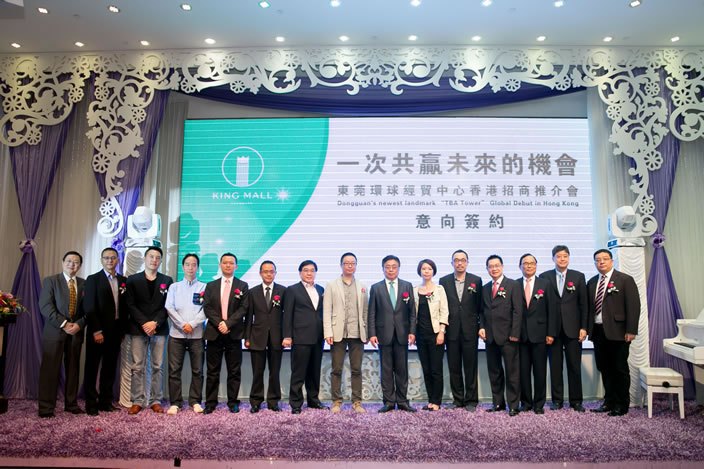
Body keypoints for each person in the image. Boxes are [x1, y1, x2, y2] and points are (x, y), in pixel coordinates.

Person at [588, 249, 640, 417]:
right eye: (598, 260)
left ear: (611, 261)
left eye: (605, 259)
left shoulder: (624, 279)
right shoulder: (592, 282)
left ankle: (621, 404)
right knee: (605, 368)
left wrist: (631, 329)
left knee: (619, 369)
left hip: (619, 332)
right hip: (598, 332)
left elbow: (633, 306)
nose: (601, 262)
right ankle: (608, 401)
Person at [539, 245, 588, 412]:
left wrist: (584, 327)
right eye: (558, 256)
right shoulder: (545, 277)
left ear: (569, 258)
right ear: (553, 258)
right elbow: (543, 307)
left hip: (573, 329)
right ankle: (557, 400)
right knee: (555, 367)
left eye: (565, 256)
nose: (562, 259)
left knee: (574, 366)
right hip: (553, 331)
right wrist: (546, 330)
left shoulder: (578, 276)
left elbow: (583, 304)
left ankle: (576, 401)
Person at [37, 251, 86, 418]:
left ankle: (71, 404)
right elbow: (45, 306)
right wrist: (64, 324)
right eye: (69, 261)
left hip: (76, 333)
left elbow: (89, 309)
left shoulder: (84, 283)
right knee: (50, 370)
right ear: (63, 262)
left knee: (73, 370)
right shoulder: (51, 281)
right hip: (54, 332)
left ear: (80, 266)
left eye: (76, 262)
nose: (72, 264)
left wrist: (79, 324)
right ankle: (46, 407)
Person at [125, 246, 173, 415]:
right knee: (137, 366)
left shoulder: (167, 280)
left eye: (158, 257)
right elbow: (130, 304)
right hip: (138, 329)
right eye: (151, 256)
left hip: (159, 329)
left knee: (157, 366)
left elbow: (168, 305)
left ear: (161, 261)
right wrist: (145, 323)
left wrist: (155, 323)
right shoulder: (132, 280)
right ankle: (137, 401)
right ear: (145, 259)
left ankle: (155, 400)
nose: (154, 260)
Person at [368, 255, 416, 413]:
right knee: (386, 370)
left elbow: (412, 312)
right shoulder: (376, 288)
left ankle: (402, 401)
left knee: (402, 370)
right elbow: (372, 312)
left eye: (394, 267)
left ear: (398, 268)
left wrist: (412, 332)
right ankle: (389, 401)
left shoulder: (407, 286)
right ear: (383, 269)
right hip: (383, 334)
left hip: (402, 334)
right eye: (387, 267)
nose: (391, 269)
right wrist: (372, 333)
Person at [202, 253, 249, 414]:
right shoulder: (211, 285)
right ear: (220, 265)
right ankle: (210, 403)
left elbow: (243, 308)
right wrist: (220, 324)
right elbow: (207, 307)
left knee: (234, 371)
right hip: (214, 332)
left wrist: (228, 323)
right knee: (212, 371)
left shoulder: (242, 285)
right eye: (225, 262)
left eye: (231, 263)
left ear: (236, 266)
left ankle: (233, 402)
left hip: (234, 333)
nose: (228, 265)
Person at [323, 252, 369, 414]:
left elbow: (365, 312)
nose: (350, 266)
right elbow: (326, 310)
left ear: (356, 265)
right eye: (346, 263)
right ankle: (336, 401)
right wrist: (327, 332)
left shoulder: (362, 286)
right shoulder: (332, 285)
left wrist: (366, 332)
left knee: (356, 369)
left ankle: (357, 402)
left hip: (357, 333)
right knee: (336, 369)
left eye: (352, 263)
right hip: (337, 333)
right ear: (341, 265)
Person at [83, 247, 126, 416]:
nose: (110, 260)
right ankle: (90, 404)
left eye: (113, 258)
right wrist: (96, 331)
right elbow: (89, 307)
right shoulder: (93, 279)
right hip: (98, 331)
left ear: (118, 260)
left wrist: (121, 332)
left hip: (115, 332)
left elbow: (124, 308)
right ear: (102, 260)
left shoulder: (123, 280)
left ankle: (105, 402)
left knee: (109, 368)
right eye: (106, 258)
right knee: (92, 368)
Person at [439, 249, 483, 411]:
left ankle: (471, 400)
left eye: (463, 260)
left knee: (470, 367)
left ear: (467, 262)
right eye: (456, 260)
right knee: (454, 367)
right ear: (452, 263)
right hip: (451, 330)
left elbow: (480, 307)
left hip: (470, 330)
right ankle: (458, 400)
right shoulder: (444, 281)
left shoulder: (476, 280)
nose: (459, 263)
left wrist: (480, 327)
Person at [479, 254, 522, 416]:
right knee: (494, 372)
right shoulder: (485, 288)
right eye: (491, 266)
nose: (494, 269)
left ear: (502, 267)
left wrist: (515, 333)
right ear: (487, 269)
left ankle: (513, 405)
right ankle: (498, 403)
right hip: (490, 338)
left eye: (497, 265)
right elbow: (482, 312)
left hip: (508, 337)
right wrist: (481, 327)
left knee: (512, 372)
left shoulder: (513, 285)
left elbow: (518, 311)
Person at [283, 260, 328, 414]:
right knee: (298, 373)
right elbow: (287, 315)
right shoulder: (292, 290)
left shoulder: (321, 289)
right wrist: (287, 336)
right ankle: (296, 404)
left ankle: (313, 401)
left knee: (314, 372)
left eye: (312, 270)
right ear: (300, 272)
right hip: (300, 337)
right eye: (306, 270)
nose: (309, 273)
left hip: (318, 337)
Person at [165, 253, 206, 415]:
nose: (190, 267)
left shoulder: (204, 288)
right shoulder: (174, 287)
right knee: (174, 371)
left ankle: (195, 401)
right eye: (187, 264)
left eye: (194, 264)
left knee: (198, 370)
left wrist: (192, 325)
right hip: (177, 335)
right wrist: (183, 325)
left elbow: (206, 310)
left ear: (197, 267)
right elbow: (169, 307)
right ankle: (175, 403)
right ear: (183, 267)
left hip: (197, 335)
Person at [517, 254, 556, 414]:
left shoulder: (545, 284)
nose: (528, 266)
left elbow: (552, 310)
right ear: (520, 266)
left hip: (540, 335)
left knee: (540, 371)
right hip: (521, 336)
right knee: (523, 372)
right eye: (525, 263)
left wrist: (551, 333)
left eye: (532, 263)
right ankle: (526, 402)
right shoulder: (515, 284)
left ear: (536, 266)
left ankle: (539, 404)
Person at [245, 260, 285, 413]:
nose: (268, 274)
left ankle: (273, 401)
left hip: (277, 337)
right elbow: (249, 317)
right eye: (265, 271)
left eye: (271, 271)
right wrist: (247, 337)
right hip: (257, 337)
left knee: (275, 371)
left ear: (275, 273)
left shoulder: (283, 291)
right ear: (260, 273)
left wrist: (287, 336)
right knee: (257, 371)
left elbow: (286, 316)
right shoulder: (252, 292)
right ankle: (256, 401)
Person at [413, 259, 449, 411]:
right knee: (426, 369)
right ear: (420, 271)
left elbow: (444, 311)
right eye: (424, 269)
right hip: (420, 336)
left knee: (436, 370)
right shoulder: (414, 290)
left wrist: (441, 331)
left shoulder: (439, 289)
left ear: (433, 271)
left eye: (429, 268)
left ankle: (437, 402)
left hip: (435, 335)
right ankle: (430, 400)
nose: (426, 271)